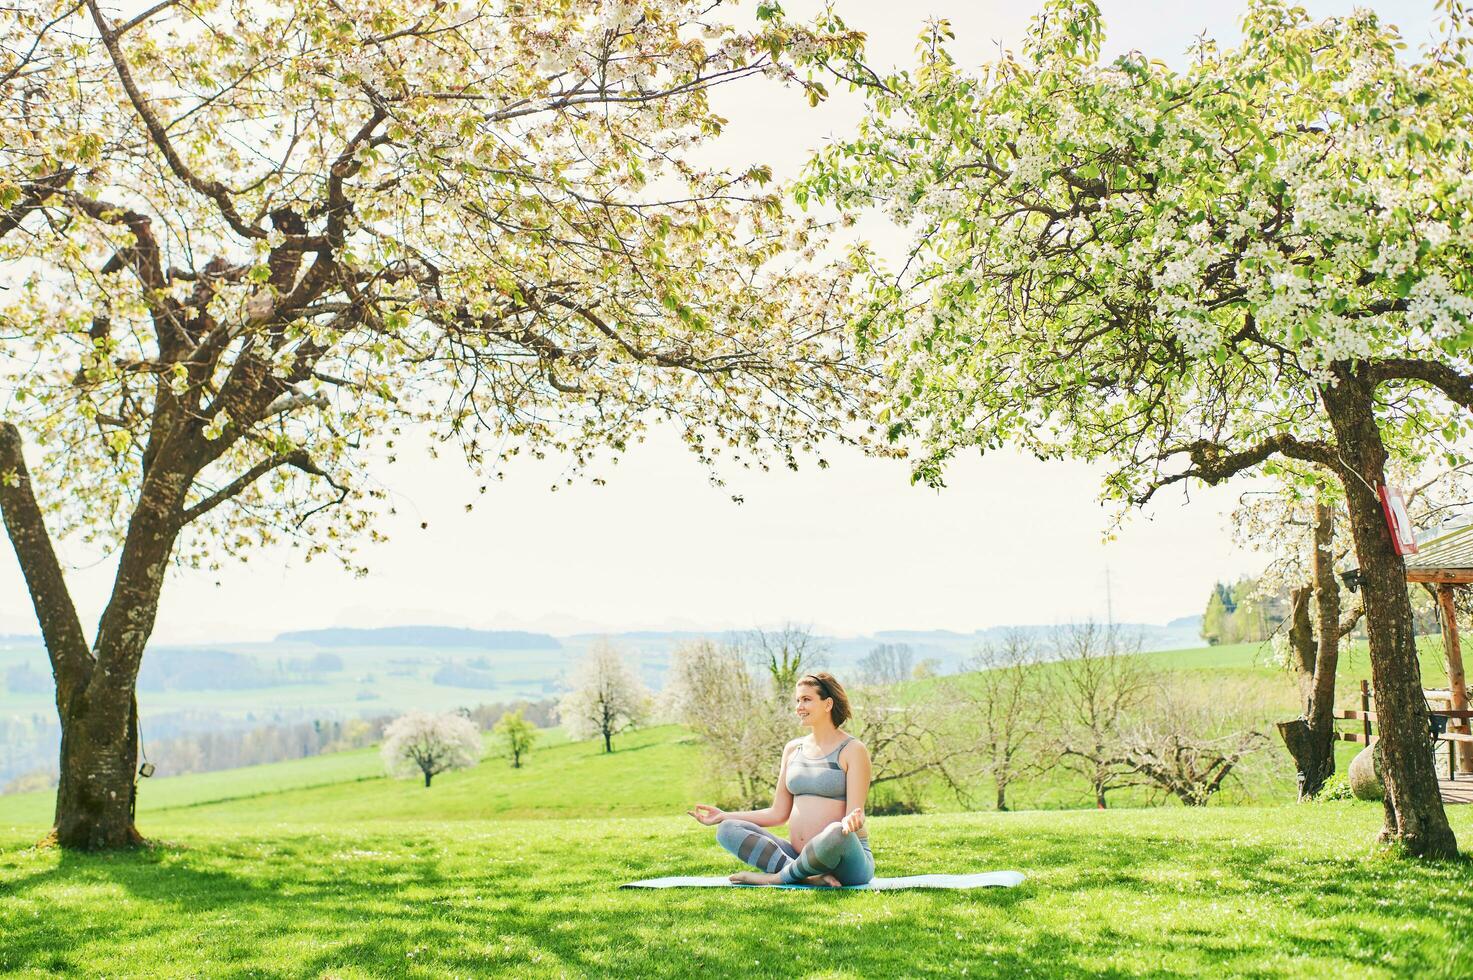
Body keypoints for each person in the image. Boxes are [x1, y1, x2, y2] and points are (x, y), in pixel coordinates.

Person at [688, 671, 874, 886]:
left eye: (806, 699)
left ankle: (777, 878)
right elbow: (777, 814)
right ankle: (807, 877)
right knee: (728, 829)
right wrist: (723, 815)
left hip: (844, 859)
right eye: (797, 700)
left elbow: (855, 814)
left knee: (835, 832)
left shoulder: (853, 750)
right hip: (796, 856)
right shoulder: (793, 749)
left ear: (828, 704)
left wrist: (852, 820)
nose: (799, 707)